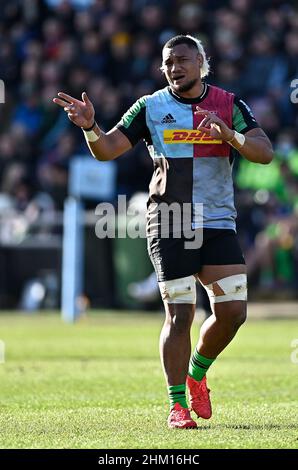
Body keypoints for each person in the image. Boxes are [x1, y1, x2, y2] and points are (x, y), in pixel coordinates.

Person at [53, 35, 273, 429]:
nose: (175, 68)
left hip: (217, 219)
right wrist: (90, 127)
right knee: (179, 316)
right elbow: (107, 150)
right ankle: (176, 405)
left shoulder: (228, 103)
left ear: (202, 63)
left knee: (233, 312)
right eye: (169, 62)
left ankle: (196, 374)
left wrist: (231, 136)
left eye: (183, 60)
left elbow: (264, 151)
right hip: (169, 219)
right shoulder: (150, 107)